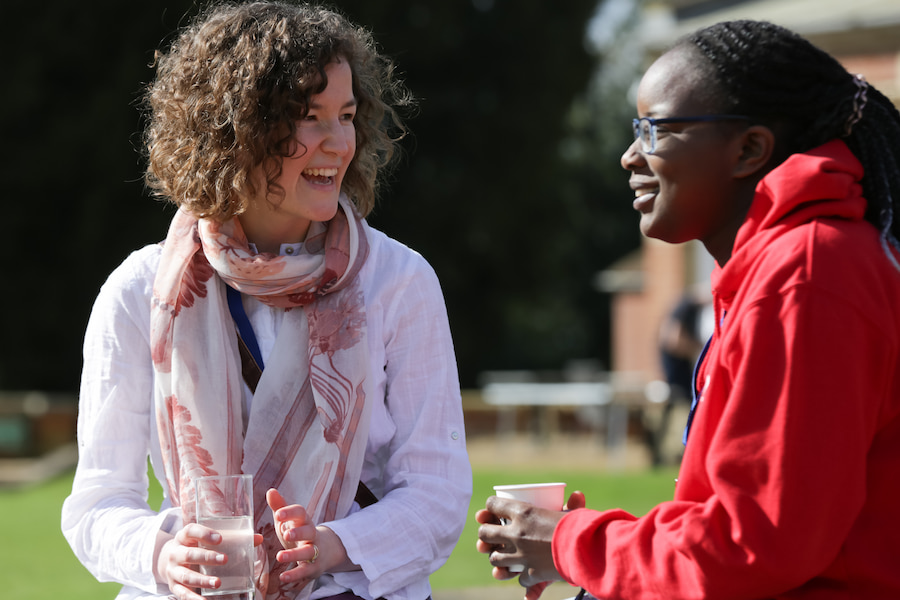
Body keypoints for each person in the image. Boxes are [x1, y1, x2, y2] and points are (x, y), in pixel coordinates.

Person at [477, 19, 900, 599]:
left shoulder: (806, 272)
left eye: (655, 130)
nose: (629, 156)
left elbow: (754, 546)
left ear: (749, 148)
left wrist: (570, 541)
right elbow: (741, 528)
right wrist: (592, 546)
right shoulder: (785, 267)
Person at [61, 3, 472, 600]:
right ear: (235, 132)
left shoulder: (399, 281)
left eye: (347, 116)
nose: (338, 144)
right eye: (310, 118)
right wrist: (163, 555)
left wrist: (330, 546)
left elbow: (435, 493)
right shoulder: (139, 290)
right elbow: (97, 502)